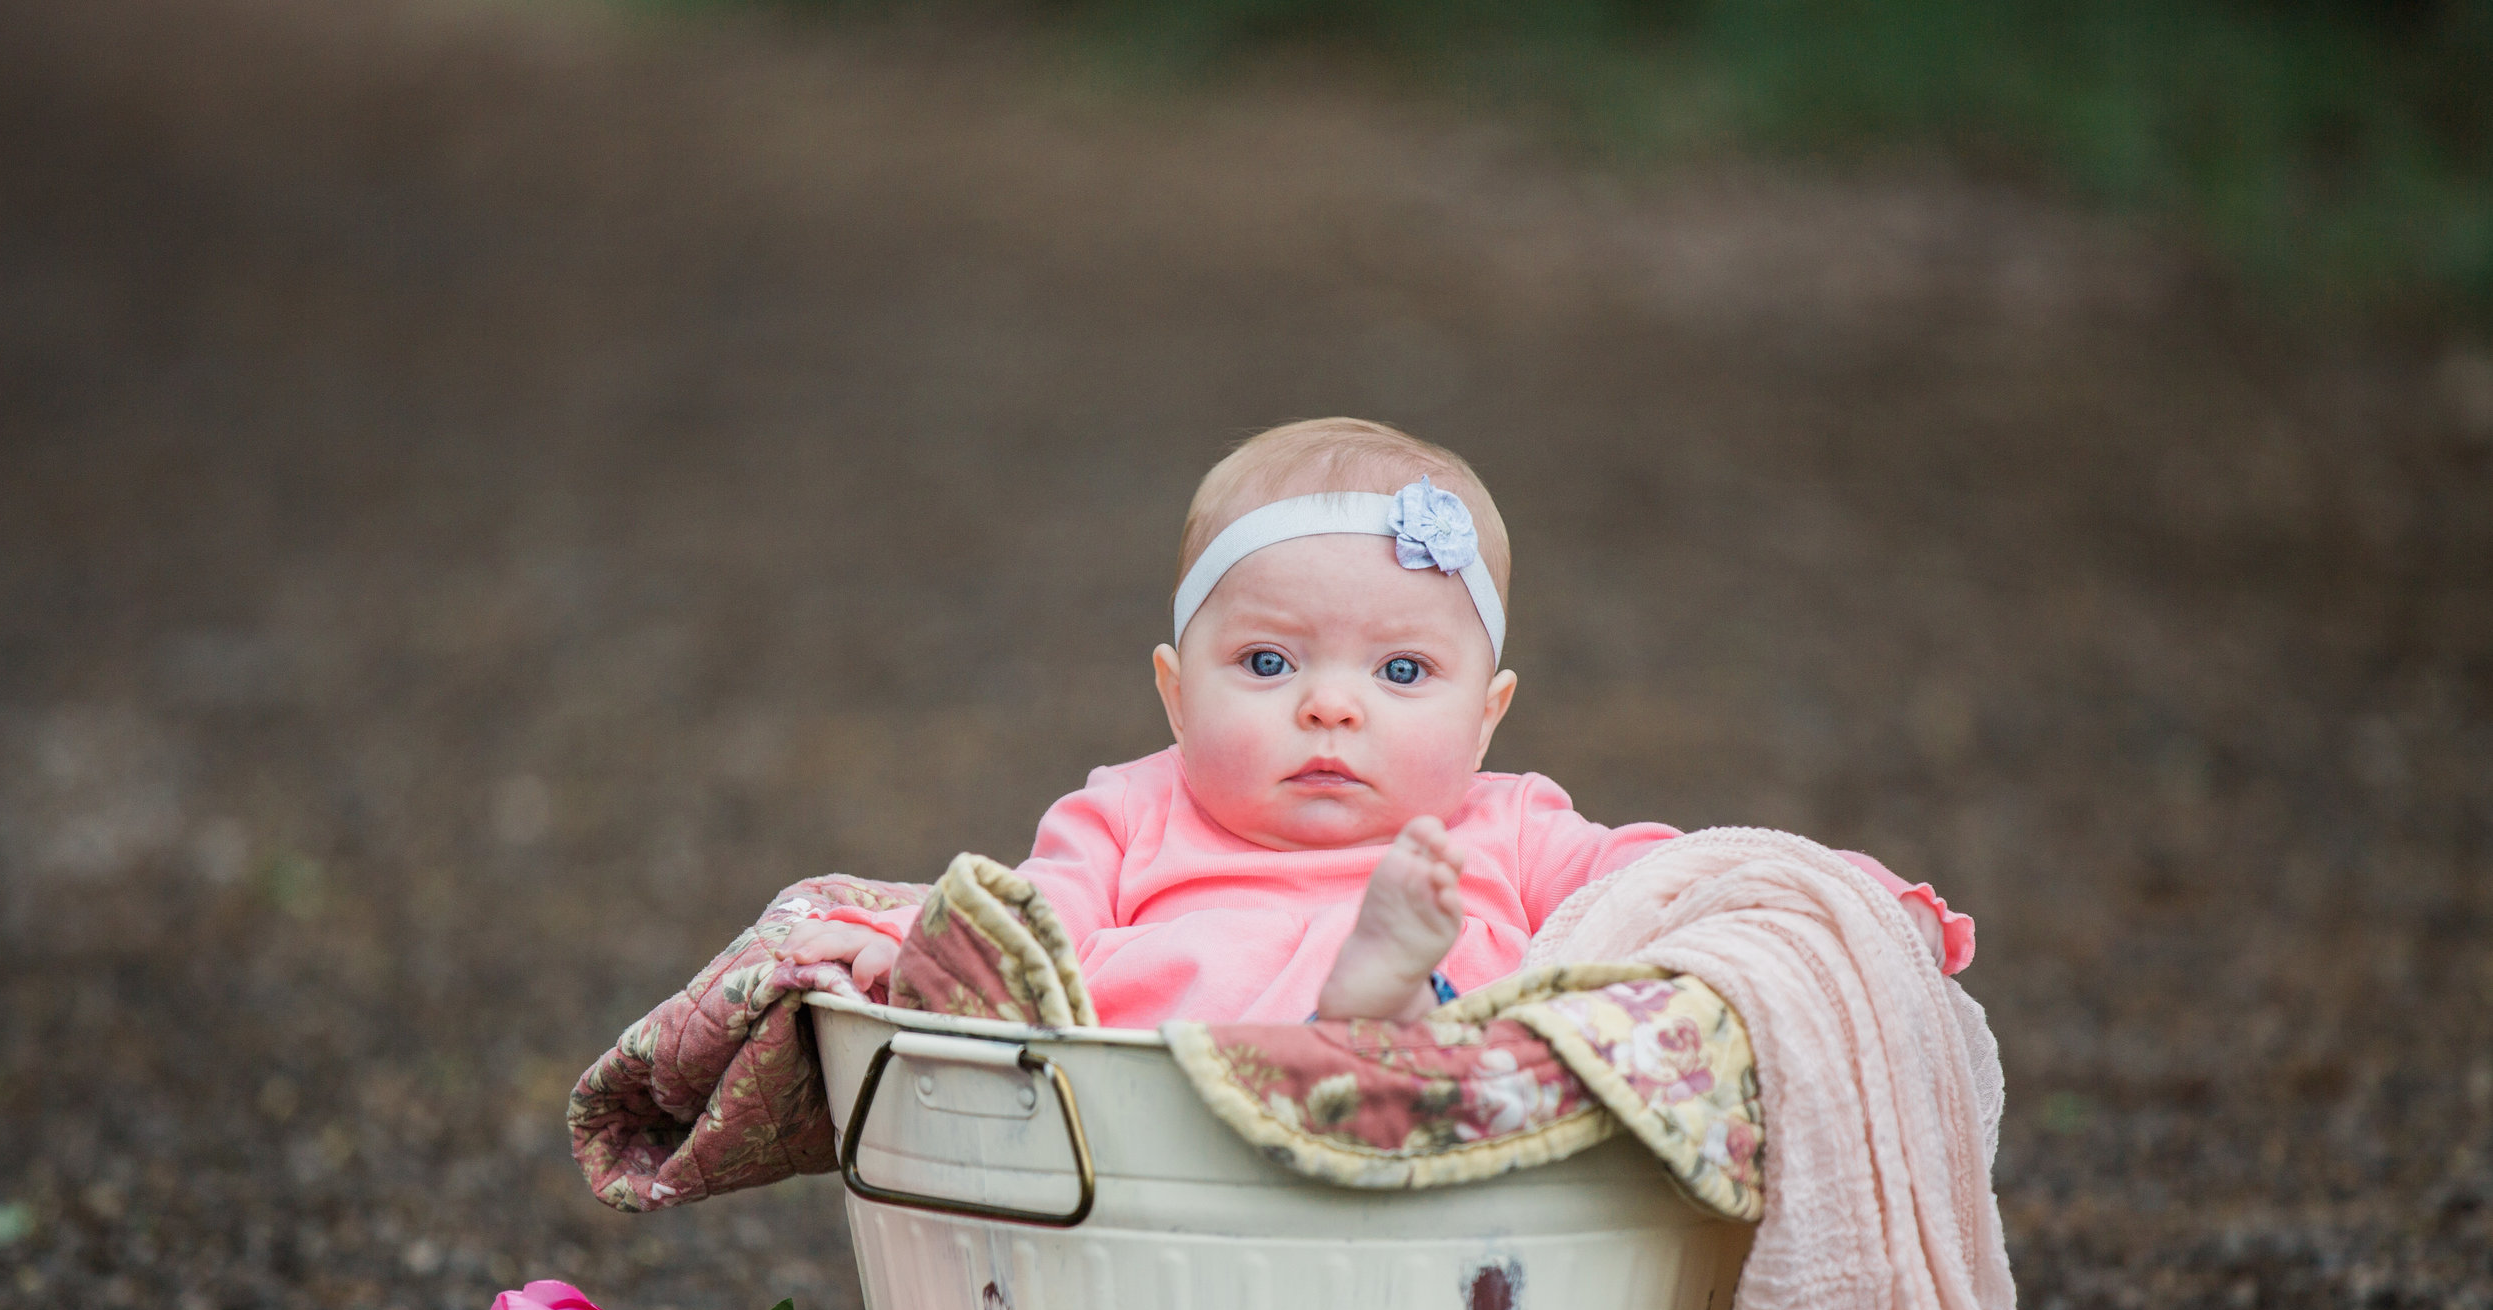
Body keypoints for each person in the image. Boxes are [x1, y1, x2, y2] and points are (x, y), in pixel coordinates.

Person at [781, 418, 1971, 1026]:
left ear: (1488, 714)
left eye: (1402, 670)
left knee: (1536, 1007)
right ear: (1173, 691)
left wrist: (1841, 907)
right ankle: (1349, 1018)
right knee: (1095, 983)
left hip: (1449, 1162)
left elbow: (1671, 879)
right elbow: (1024, 944)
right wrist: (915, 960)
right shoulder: (1127, 811)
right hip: (1170, 1129)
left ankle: (1387, 1012)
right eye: (1265, 660)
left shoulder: (1503, 825)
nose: (1330, 703)